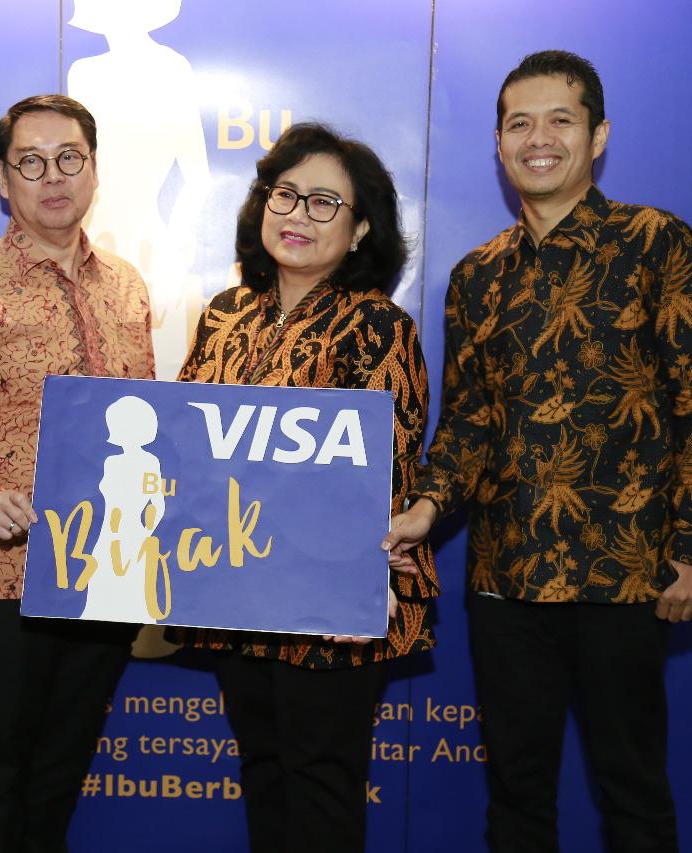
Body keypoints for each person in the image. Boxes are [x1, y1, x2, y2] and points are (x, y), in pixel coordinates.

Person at [384, 50, 692, 852]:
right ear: (499, 143)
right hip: (505, 579)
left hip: (627, 571)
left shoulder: (654, 242)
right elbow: (468, 422)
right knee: (515, 798)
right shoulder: (476, 276)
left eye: (560, 120)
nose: (537, 139)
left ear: (598, 135)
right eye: (519, 123)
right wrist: (426, 509)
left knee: (633, 792)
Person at [177, 122, 438, 853]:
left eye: (325, 203)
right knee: (263, 771)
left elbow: (389, 464)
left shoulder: (378, 325)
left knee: (321, 781)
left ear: (361, 230)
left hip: (331, 597)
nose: (298, 214)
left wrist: (359, 579)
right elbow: (187, 440)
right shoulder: (226, 314)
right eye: (285, 194)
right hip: (235, 584)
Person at [0, 94, 155, 852]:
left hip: (107, 568)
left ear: (94, 169)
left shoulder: (126, 286)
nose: (53, 176)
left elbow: (149, 414)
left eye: (69, 158)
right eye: (31, 161)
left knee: (62, 767)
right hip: (6, 570)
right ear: (3, 178)